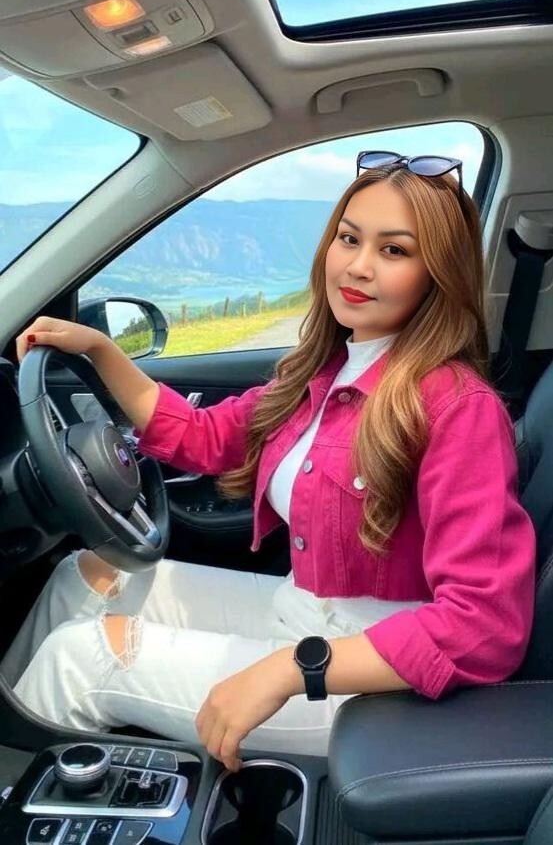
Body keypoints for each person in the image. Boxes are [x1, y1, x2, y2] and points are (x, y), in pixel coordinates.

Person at [0, 154, 536, 773]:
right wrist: (98, 349)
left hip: (378, 677)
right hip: (305, 608)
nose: (358, 266)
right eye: (349, 239)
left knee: (84, 657)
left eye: (394, 251)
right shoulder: (322, 373)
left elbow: (484, 626)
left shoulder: (458, 408)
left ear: (437, 275)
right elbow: (202, 436)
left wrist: (289, 668)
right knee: (84, 574)